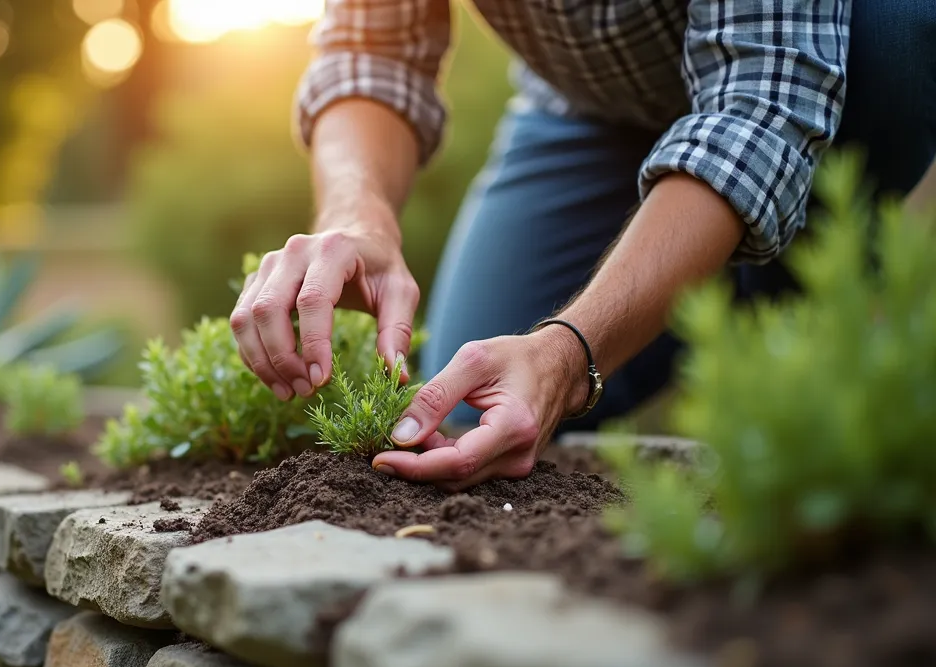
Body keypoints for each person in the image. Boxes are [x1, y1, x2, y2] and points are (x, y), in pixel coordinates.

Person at [229, 0, 936, 491]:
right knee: (469, 425)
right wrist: (358, 217)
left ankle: (824, 299)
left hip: (824, 66)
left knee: (901, 26)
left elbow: (759, 101)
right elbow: (370, 48)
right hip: (592, 111)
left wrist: (570, 354)